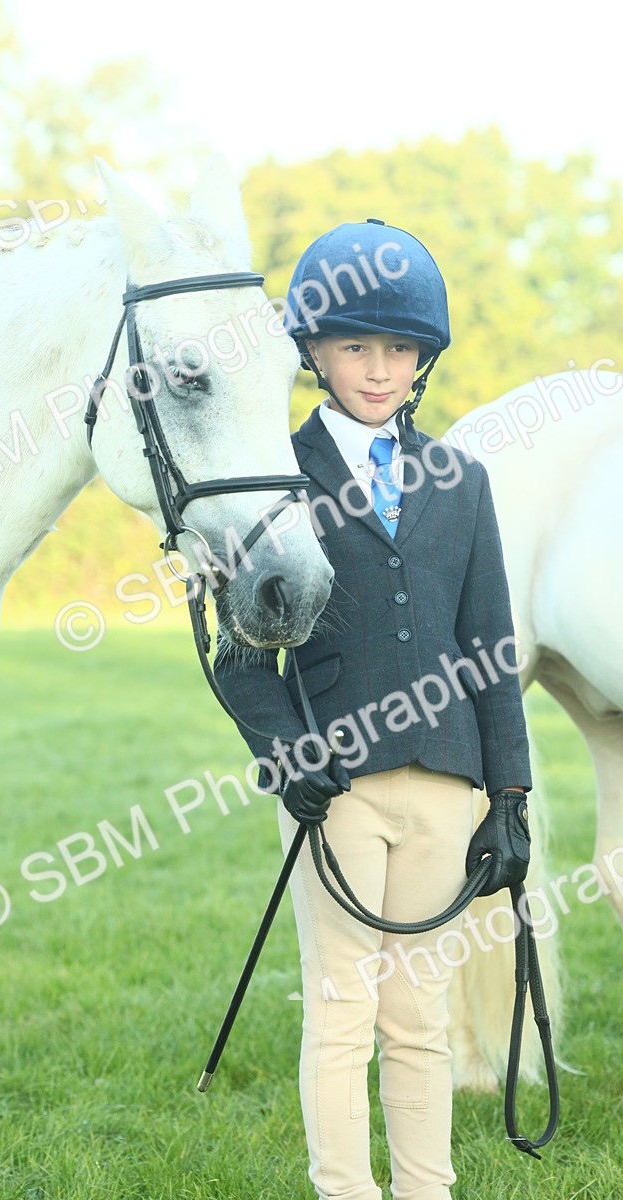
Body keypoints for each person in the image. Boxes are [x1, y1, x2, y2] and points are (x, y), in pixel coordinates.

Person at [213, 220, 532, 1200]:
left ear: (422, 360)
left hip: (445, 786)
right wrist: (285, 753)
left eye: (398, 350)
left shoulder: (460, 481)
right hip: (335, 787)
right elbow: (235, 657)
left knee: (417, 1013)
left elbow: (489, 646)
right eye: (355, 346)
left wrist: (509, 795)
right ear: (313, 352)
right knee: (342, 1010)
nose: (378, 368)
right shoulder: (272, 477)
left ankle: (424, 1191)